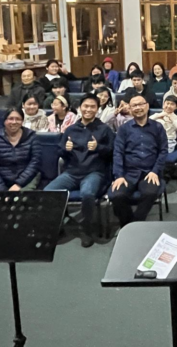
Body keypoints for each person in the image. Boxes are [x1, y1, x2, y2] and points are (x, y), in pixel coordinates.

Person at [46, 95, 115, 247]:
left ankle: (87, 229)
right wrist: (65, 149)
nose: (88, 109)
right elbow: (60, 151)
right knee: (49, 191)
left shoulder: (104, 129)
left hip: (94, 172)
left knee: (87, 194)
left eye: (92, 107)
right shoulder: (71, 129)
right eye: (85, 106)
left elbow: (112, 152)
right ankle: (60, 224)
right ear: (79, 108)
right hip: (72, 172)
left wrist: (99, 148)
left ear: (97, 110)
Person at [109, 94, 169, 226]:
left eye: (141, 104)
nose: (138, 108)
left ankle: (134, 225)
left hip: (150, 173)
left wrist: (155, 171)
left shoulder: (158, 127)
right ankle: (130, 224)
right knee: (116, 195)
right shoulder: (124, 129)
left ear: (147, 106)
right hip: (128, 173)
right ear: (130, 109)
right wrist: (118, 176)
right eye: (134, 105)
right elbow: (118, 152)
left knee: (150, 193)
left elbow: (163, 151)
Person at [0, 107, 41, 192]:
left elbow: (35, 163)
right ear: (4, 121)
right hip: (0, 180)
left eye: (18, 119)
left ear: (22, 122)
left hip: (26, 179)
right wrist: (1, 189)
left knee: (19, 202)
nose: (14, 122)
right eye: (10, 119)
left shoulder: (32, 137)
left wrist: (18, 184)